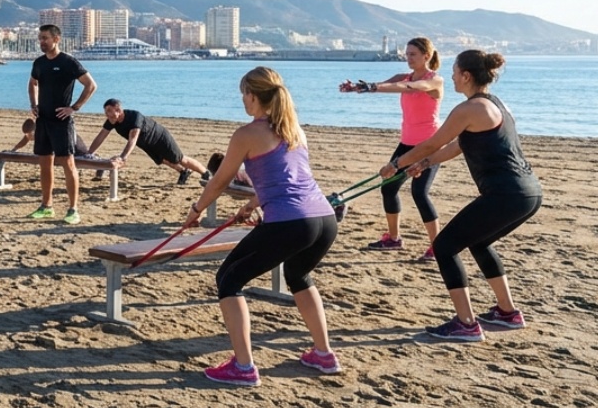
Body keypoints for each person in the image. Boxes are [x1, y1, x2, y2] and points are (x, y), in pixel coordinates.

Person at [185, 67, 340, 387]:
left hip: (292, 222)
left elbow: (220, 181)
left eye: (243, 94)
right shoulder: (294, 130)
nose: (242, 100)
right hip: (324, 219)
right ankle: (323, 354)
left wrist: (196, 210)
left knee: (228, 279)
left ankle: (243, 367)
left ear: (253, 96)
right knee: (298, 274)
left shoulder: (247, 134)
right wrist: (254, 203)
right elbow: (289, 177)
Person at [384, 50, 541, 342]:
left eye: (455, 72)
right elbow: (458, 145)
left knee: (444, 247)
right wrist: (425, 164)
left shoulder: (468, 108)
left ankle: (466, 324)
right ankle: (507, 313)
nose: (452, 77)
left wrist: (396, 164)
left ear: (467, 76)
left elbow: (431, 143)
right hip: (528, 192)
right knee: (478, 242)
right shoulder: (495, 104)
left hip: (505, 194)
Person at [339, 37, 445, 260]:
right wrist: (359, 88)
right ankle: (394, 239)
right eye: (407, 54)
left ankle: (438, 246)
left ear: (426, 56)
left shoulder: (434, 80)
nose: (408, 58)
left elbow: (410, 88)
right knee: (388, 188)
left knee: (419, 193)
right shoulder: (403, 77)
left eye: (413, 54)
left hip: (428, 145)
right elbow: (389, 85)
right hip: (406, 143)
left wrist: (373, 87)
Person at [26, 24, 96, 223]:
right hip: (43, 120)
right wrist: (34, 104)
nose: (41, 42)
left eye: (45, 38)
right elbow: (32, 83)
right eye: (40, 38)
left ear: (56, 39)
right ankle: (46, 206)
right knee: (45, 163)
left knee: (68, 163)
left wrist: (74, 107)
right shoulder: (39, 63)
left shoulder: (68, 62)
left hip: (62, 122)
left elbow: (91, 85)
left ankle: (73, 210)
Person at [86, 99, 209, 185]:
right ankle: (183, 172)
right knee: (162, 160)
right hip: (147, 143)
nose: (107, 114)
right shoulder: (111, 121)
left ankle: (205, 173)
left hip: (160, 137)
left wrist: (123, 157)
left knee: (179, 159)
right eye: (105, 111)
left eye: (109, 111)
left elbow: (132, 140)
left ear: (118, 109)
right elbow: (101, 137)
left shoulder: (134, 117)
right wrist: (89, 153)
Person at [9, 117, 90, 157]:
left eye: (29, 134)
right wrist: (14, 149)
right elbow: (24, 140)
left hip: (76, 149)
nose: (28, 137)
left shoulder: (46, 131)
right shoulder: (39, 129)